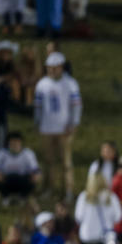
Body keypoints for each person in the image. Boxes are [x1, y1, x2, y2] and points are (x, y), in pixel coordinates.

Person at [34, 52, 81, 202]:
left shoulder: (70, 83)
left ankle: (68, 190)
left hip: (63, 128)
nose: (52, 71)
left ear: (61, 67)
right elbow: (38, 106)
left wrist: (73, 123)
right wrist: (38, 122)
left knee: (65, 161)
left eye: (55, 68)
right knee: (48, 161)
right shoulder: (42, 84)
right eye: (49, 68)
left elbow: (76, 106)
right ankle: (49, 188)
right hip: (47, 128)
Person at [0, 132, 40, 203]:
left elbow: (36, 169)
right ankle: (5, 196)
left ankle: (23, 196)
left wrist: (35, 175)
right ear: (8, 143)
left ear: (21, 143)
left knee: (34, 177)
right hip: (6, 179)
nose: (15, 145)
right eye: (12, 143)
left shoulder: (28, 153)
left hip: (22, 180)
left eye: (17, 142)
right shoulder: (2, 153)